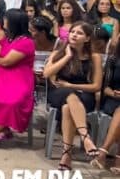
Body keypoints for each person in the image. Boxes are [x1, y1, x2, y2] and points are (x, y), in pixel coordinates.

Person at [43, 21, 102, 170]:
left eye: (79, 33)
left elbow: (96, 86)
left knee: (67, 107)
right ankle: (84, 136)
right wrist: (67, 56)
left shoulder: (94, 57)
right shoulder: (59, 52)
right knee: (68, 95)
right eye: (72, 32)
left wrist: (72, 86)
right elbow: (46, 73)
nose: (74, 35)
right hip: (58, 93)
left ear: (87, 39)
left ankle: (66, 154)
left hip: (84, 96)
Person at [0, 9, 36, 149]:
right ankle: (5, 129)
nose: (4, 21)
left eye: (6, 19)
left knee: (12, 101)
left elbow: (7, 62)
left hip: (20, 78)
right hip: (2, 76)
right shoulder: (6, 37)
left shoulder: (26, 42)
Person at [91, 42, 120, 174]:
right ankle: (117, 158)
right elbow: (105, 87)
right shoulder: (113, 59)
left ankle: (103, 151)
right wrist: (114, 93)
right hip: (113, 99)